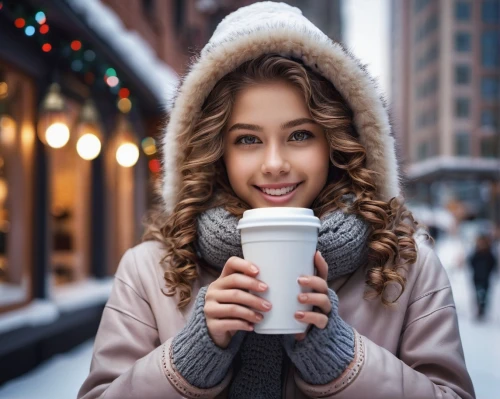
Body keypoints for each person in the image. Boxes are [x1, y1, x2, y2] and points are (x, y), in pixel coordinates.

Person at [78, 2, 475, 398]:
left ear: (335, 141)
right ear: (217, 151)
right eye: (247, 139)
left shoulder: (407, 265)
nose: (274, 164)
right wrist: (193, 354)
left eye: (300, 135)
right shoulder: (150, 269)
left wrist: (340, 356)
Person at [469, 234, 498, 319]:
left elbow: (493, 264)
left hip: (485, 278)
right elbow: (471, 262)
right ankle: (479, 309)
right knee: (477, 294)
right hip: (477, 277)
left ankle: (483, 309)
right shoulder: (476, 253)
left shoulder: (489, 254)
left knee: (485, 295)